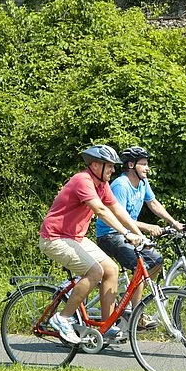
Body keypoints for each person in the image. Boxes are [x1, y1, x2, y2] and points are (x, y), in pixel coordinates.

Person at [39, 144, 146, 345]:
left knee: (111, 269)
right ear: (96, 165)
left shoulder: (102, 184)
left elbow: (116, 209)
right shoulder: (83, 180)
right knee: (95, 272)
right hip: (54, 238)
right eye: (110, 166)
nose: (114, 170)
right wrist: (126, 234)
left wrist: (139, 234)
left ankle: (106, 327)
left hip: (75, 237)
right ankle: (62, 318)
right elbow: (100, 210)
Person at [95, 145, 184, 324]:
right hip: (111, 234)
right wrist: (148, 227)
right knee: (140, 268)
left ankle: (130, 296)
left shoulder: (143, 183)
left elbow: (154, 204)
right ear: (130, 165)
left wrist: (174, 223)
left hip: (129, 234)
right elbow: (120, 218)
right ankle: (137, 315)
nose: (147, 168)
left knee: (156, 261)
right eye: (143, 164)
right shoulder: (121, 185)